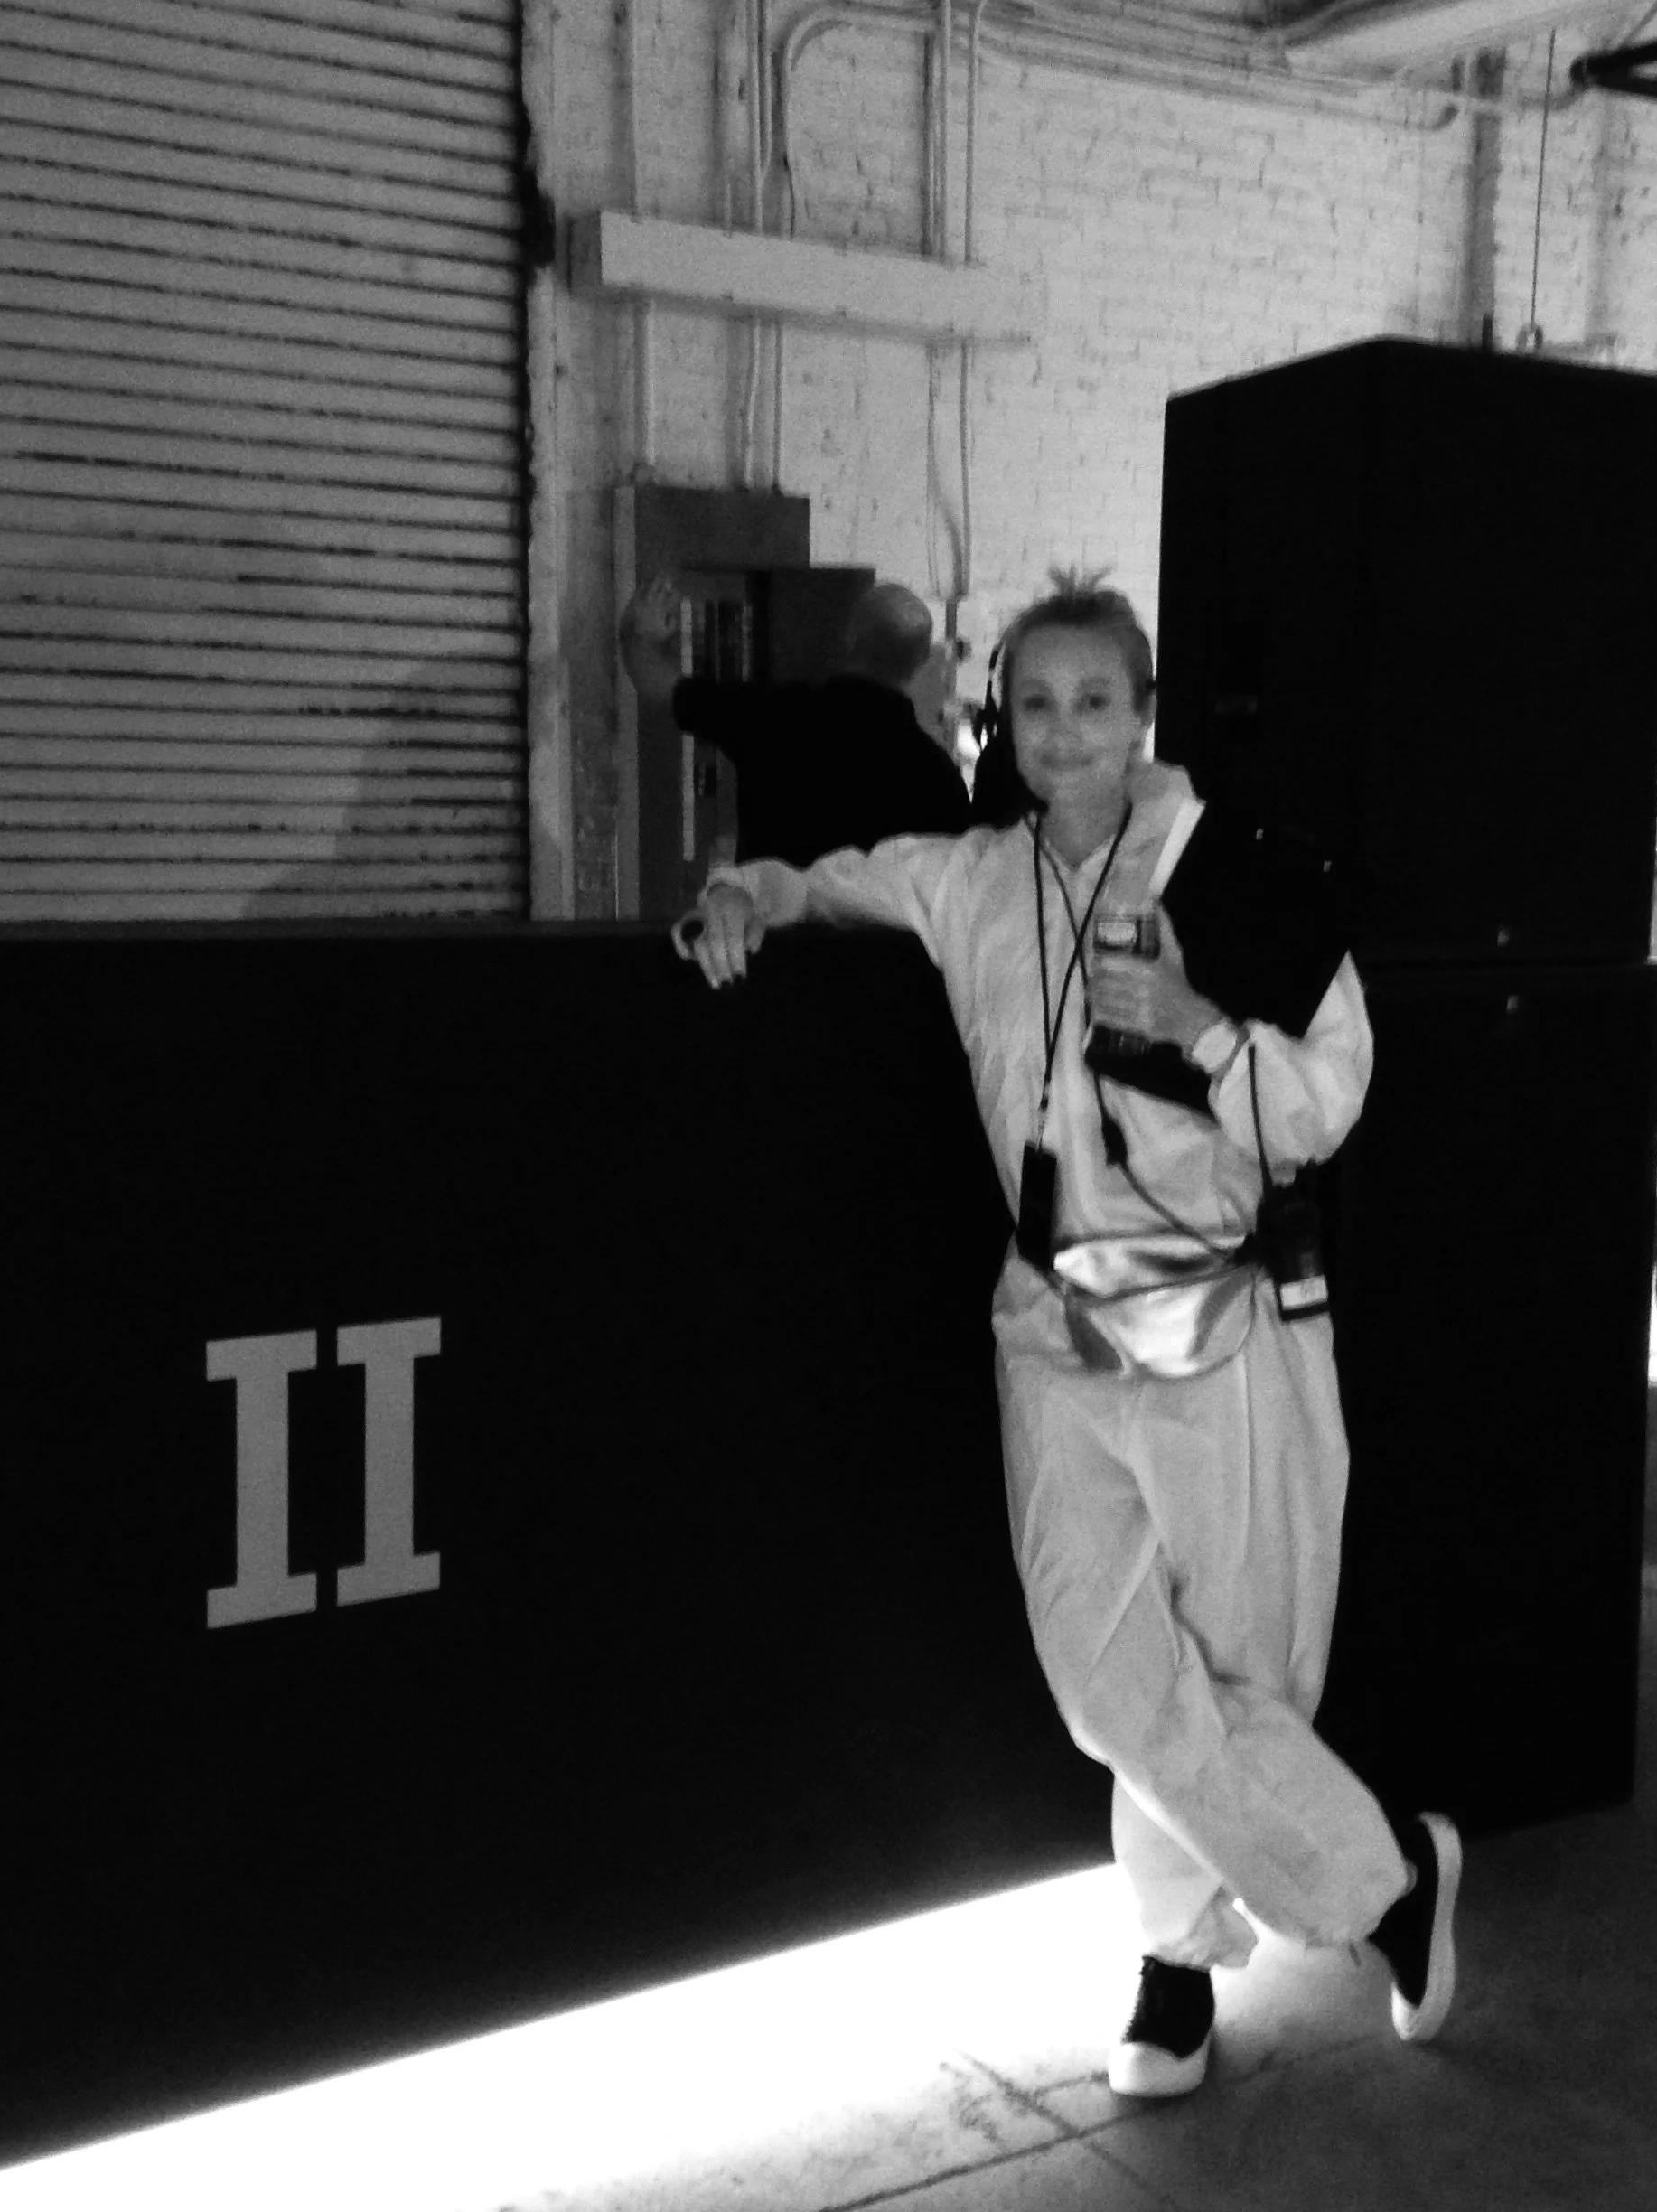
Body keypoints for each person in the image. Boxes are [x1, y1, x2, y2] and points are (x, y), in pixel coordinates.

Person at [675, 570, 1460, 2099]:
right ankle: (1390, 1881)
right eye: (1033, 703)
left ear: (1142, 713)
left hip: (1221, 1320)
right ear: (997, 721)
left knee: (1241, 1667)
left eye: (1094, 700)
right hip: (1049, 1323)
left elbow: (1323, 1104)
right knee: (1106, 1675)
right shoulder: (970, 878)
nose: (1063, 730)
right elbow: (822, 881)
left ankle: (1173, 1968)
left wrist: (1195, 1024)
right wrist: (740, 892)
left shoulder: (1233, 876)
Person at [619, 574, 972, 867]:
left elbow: (654, 682)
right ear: (920, 662)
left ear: (850, 638)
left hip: (771, 929)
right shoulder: (940, 779)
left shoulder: (775, 715)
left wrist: (641, 631)